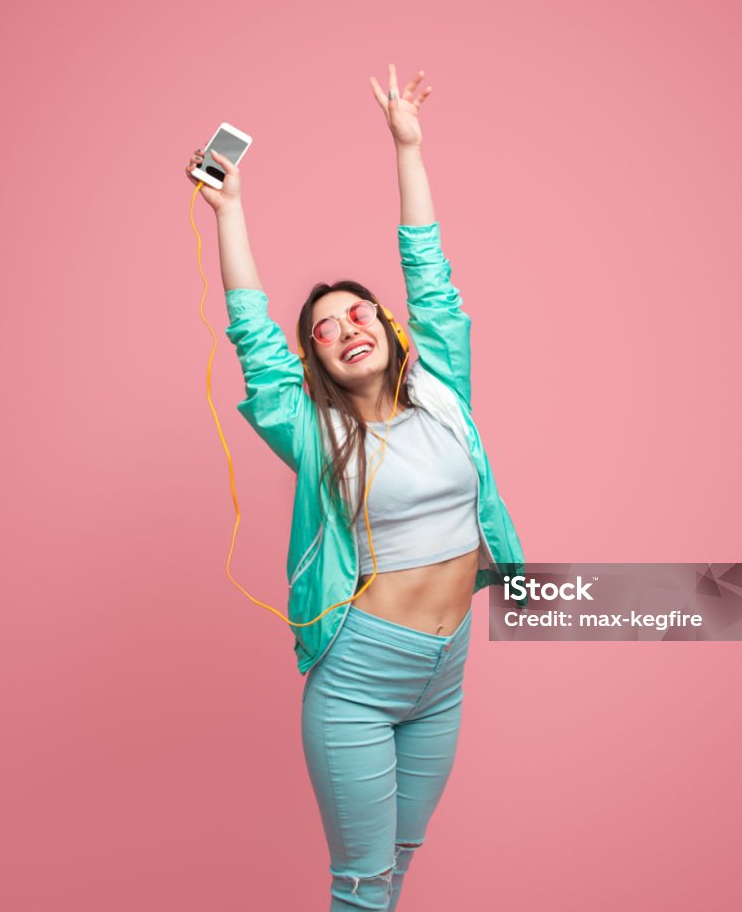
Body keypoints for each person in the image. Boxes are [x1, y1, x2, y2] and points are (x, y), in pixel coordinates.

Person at [184, 63, 525, 911]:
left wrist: (407, 147)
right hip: (360, 675)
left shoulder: (444, 386)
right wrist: (231, 212)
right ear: (317, 359)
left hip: (446, 670)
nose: (346, 328)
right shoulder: (313, 431)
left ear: (390, 326)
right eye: (326, 328)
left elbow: (430, 271)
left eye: (359, 312)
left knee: (400, 864)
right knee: (363, 884)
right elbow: (253, 337)